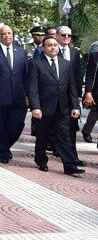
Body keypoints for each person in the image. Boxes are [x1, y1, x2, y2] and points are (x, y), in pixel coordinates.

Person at [27, 36, 84, 176]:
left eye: (55, 45)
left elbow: (71, 87)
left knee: (64, 137)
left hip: (62, 108)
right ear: (43, 48)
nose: (53, 47)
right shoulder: (36, 64)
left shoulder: (66, 64)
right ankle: (41, 160)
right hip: (43, 108)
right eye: (49, 45)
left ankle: (70, 165)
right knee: (42, 136)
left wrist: (75, 107)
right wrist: (35, 107)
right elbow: (32, 88)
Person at [0, 25, 28, 163]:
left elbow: (26, 76)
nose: (7, 36)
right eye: (4, 33)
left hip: (18, 96)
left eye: (10, 33)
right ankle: (2, 152)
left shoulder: (21, 52)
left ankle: (5, 146)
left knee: (17, 124)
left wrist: (27, 95)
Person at [55, 26, 85, 166]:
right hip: (55, 95)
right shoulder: (51, 50)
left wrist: (79, 95)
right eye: (63, 35)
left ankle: (73, 157)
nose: (66, 37)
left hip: (72, 96)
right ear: (57, 36)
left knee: (72, 126)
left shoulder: (75, 53)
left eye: (69, 35)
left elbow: (78, 76)